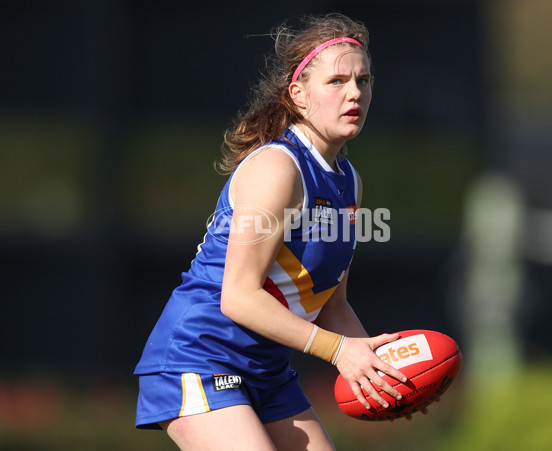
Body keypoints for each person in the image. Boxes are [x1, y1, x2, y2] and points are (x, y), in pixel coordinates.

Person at [134, 13, 418, 450]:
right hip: (199, 357)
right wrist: (339, 352)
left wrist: (387, 377)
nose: (355, 92)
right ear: (298, 95)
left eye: (364, 80)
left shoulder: (348, 180)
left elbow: (333, 304)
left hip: (265, 371)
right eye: (337, 81)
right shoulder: (277, 167)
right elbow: (238, 296)